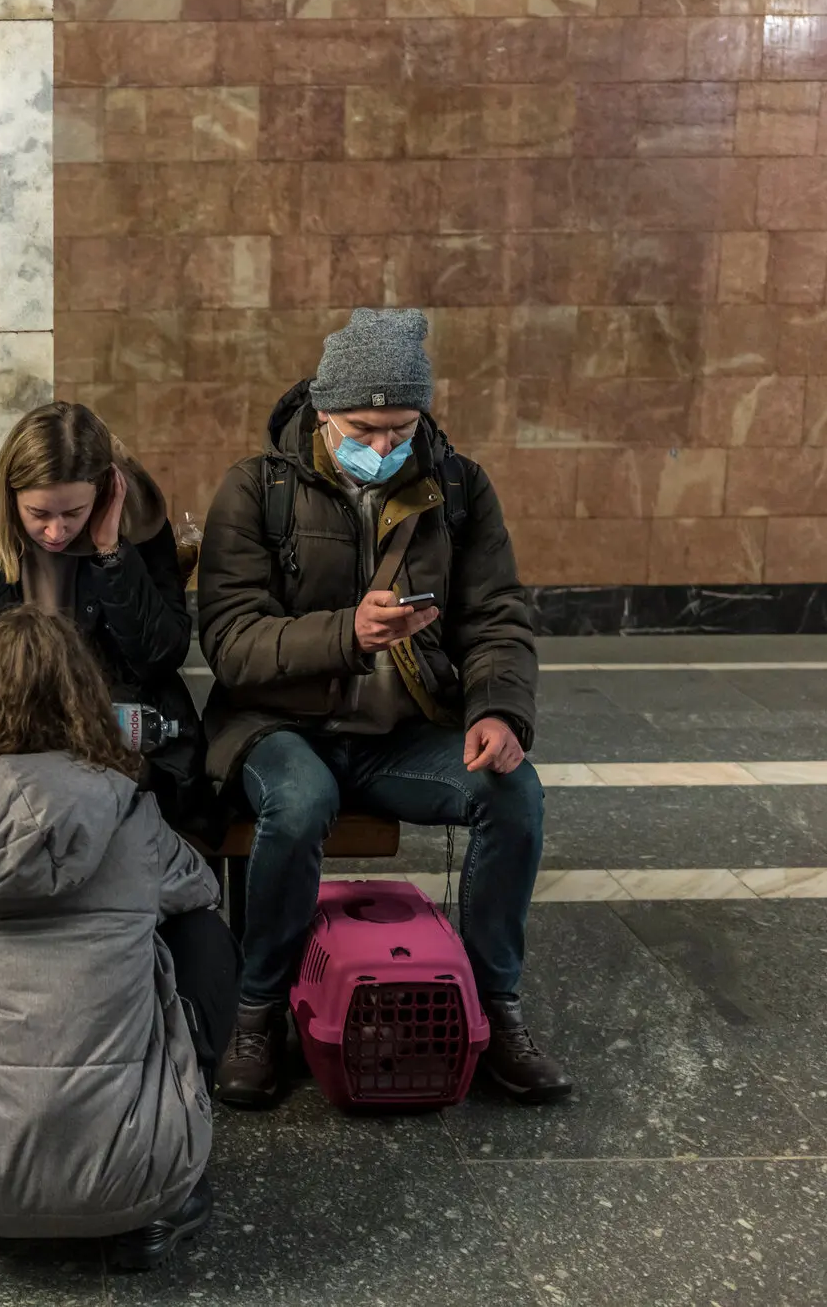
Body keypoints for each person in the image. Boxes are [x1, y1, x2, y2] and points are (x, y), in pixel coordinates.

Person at [195, 307, 570, 1108]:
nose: (383, 445)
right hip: (280, 727)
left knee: (513, 793)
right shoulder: (256, 488)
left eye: (401, 429)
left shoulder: (458, 488)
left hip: (403, 731)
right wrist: (348, 633)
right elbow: (230, 640)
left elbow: (496, 617)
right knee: (298, 804)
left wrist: (497, 712)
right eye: (364, 430)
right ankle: (258, 1013)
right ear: (323, 412)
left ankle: (494, 1008)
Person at [0, 607, 238, 1271]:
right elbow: (200, 887)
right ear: (88, 702)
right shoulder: (128, 811)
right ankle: (152, 1206)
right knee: (199, 932)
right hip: (140, 1171)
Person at [0, 402, 208, 831]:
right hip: (13, 739)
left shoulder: (139, 524)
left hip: (116, 742)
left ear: (102, 495)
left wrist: (111, 553)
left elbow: (161, 656)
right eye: (39, 514)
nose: (56, 532)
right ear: (10, 498)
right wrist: (15, 701)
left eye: (74, 513)